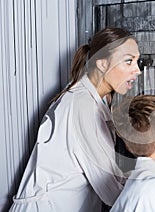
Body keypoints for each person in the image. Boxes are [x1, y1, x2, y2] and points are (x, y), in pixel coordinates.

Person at [9, 27, 142, 211]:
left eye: (137, 61)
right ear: (102, 64)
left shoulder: (91, 100)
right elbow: (112, 193)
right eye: (129, 61)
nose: (137, 70)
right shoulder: (82, 106)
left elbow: (111, 176)